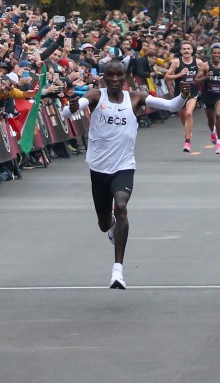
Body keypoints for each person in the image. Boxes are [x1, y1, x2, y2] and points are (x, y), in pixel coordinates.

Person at [65, 60, 190, 289]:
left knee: (121, 206)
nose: (114, 80)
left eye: (118, 76)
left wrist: (183, 96)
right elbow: (71, 110)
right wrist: (71, 107)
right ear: (104, 77)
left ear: (124, 78)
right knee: (104, 223)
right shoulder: (95, 96)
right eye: (109, 76)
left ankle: (117, 271)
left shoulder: (136, 97)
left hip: (123, 166)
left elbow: (172, 106)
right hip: (98, 169)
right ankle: (111, 227)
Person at [163, 40, 205, 153]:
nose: (186, 51)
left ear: (192, 51)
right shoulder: (176, 62)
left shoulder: (199, 62)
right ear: (181, 51)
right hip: (180, 94)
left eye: (188, 49)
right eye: (184, 49)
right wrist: (180, 74)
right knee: (184, 119)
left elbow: (204, 75)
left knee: (189, 113)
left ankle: (187, 141)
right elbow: (166, 77)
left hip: (193, 93)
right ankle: (188, 132)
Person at [201, 43, 220, 154]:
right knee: (210, 119)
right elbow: (196, 80)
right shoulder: (205, 66)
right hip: (208, 95)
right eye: (214, 53)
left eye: (219, 53)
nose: (217, 55)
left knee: (218, 114)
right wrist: (205, 77)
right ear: (211, 54)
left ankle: (219, 142)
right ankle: (212, 131)